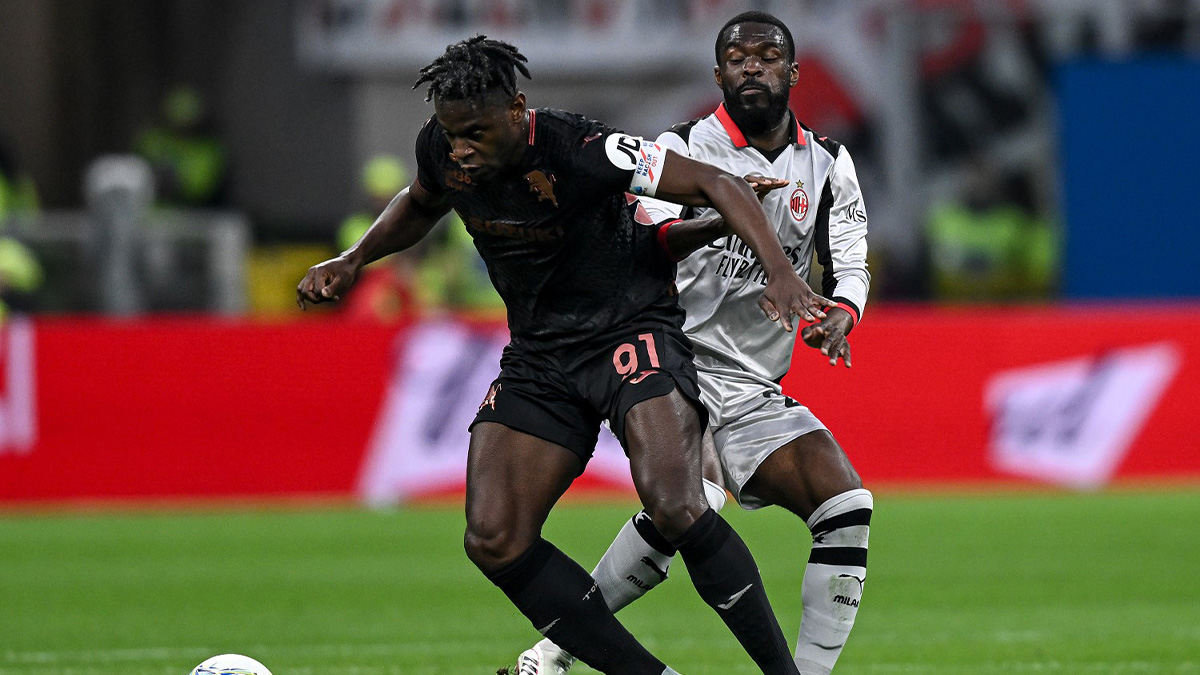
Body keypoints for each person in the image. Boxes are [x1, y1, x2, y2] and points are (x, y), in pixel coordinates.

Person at [296, 36, 834, 675]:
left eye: (475, 133)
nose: (460, 149)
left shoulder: (582, 147)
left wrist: (781, 272)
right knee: (494, 537)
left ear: (516, 109)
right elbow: (420, 202)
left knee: (676, 505)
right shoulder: (443, 148)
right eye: (451, 133)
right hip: (541, 355)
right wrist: (353, 259)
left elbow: (716, 182)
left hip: (630, 333)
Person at [517, 12, 872, 675]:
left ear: (793, 72)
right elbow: (642, 244)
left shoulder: (828, 163)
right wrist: (719, 214)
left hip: (753, 382)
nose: (752, 67)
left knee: (847, 507)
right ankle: (553, 652)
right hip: (670, 360)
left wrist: (842, 313)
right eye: (737, 58)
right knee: (694, 502)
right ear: (718, 74)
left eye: (767, 56)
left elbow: (850, 261)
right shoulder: (680, 147)